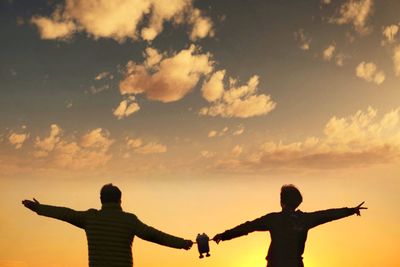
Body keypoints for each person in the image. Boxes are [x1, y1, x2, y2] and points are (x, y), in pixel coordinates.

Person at [22, 183, 193, 267]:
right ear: (120, 199)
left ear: (101, 200)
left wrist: (39, 208)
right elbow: (155, 235)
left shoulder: (91, 218)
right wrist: (183, 243)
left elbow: (65, 213)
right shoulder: (129, 220)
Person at [213, 184, 367, 267]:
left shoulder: (273, 219)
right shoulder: (306, 219)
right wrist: (351, 210)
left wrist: (224, 235)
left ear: (282, 202)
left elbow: (247, 227)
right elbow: (327, 214)